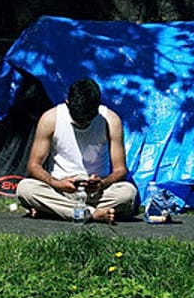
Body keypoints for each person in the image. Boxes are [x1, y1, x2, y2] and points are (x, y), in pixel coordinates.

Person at [16, 78, 139, 223]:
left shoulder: (111, 121)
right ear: (67, 103)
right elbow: (33, 166)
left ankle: (59, 211)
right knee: (25, 188)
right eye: (78, 120)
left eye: (87, 120)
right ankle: (91, 214)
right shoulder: (50, 118)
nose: (82, 124)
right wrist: (57, 183)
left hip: (96, 193)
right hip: (61, 190)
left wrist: (102, 183)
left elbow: (120, 170)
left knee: (128, 192)